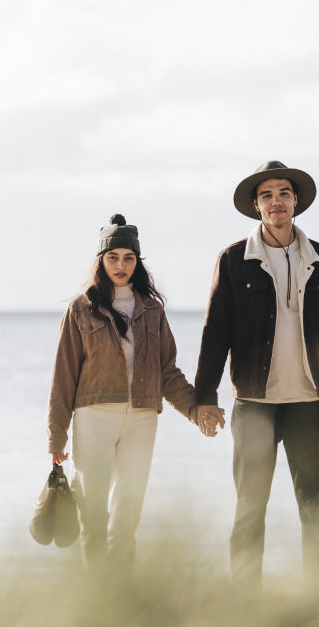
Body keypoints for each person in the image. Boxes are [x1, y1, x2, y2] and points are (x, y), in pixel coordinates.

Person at [195, 161, 319, 597]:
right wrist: (203, 397)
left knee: (314, 510)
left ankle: (318, 604)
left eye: (283, 192)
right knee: (250, 510)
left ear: (296, 200)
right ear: (256, 206)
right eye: (266, 195)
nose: (276, 201)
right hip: (254, 404)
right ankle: (246, 608)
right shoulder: (233, 260)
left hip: (309, 403)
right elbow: (215, 332)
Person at [46, 214, 220, 578]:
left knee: (127, 514)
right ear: (100, 261)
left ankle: (122, 594)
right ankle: (97, 595)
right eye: (113, 258)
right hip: (94, 416)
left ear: (138, 261)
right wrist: (56, 435)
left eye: (128, 257)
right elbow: (63, 376)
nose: (121, 265)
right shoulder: (81, 308)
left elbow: (168, 372)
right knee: (93, 512)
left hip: (142, 418)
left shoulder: (152, 309)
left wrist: (196, 410)